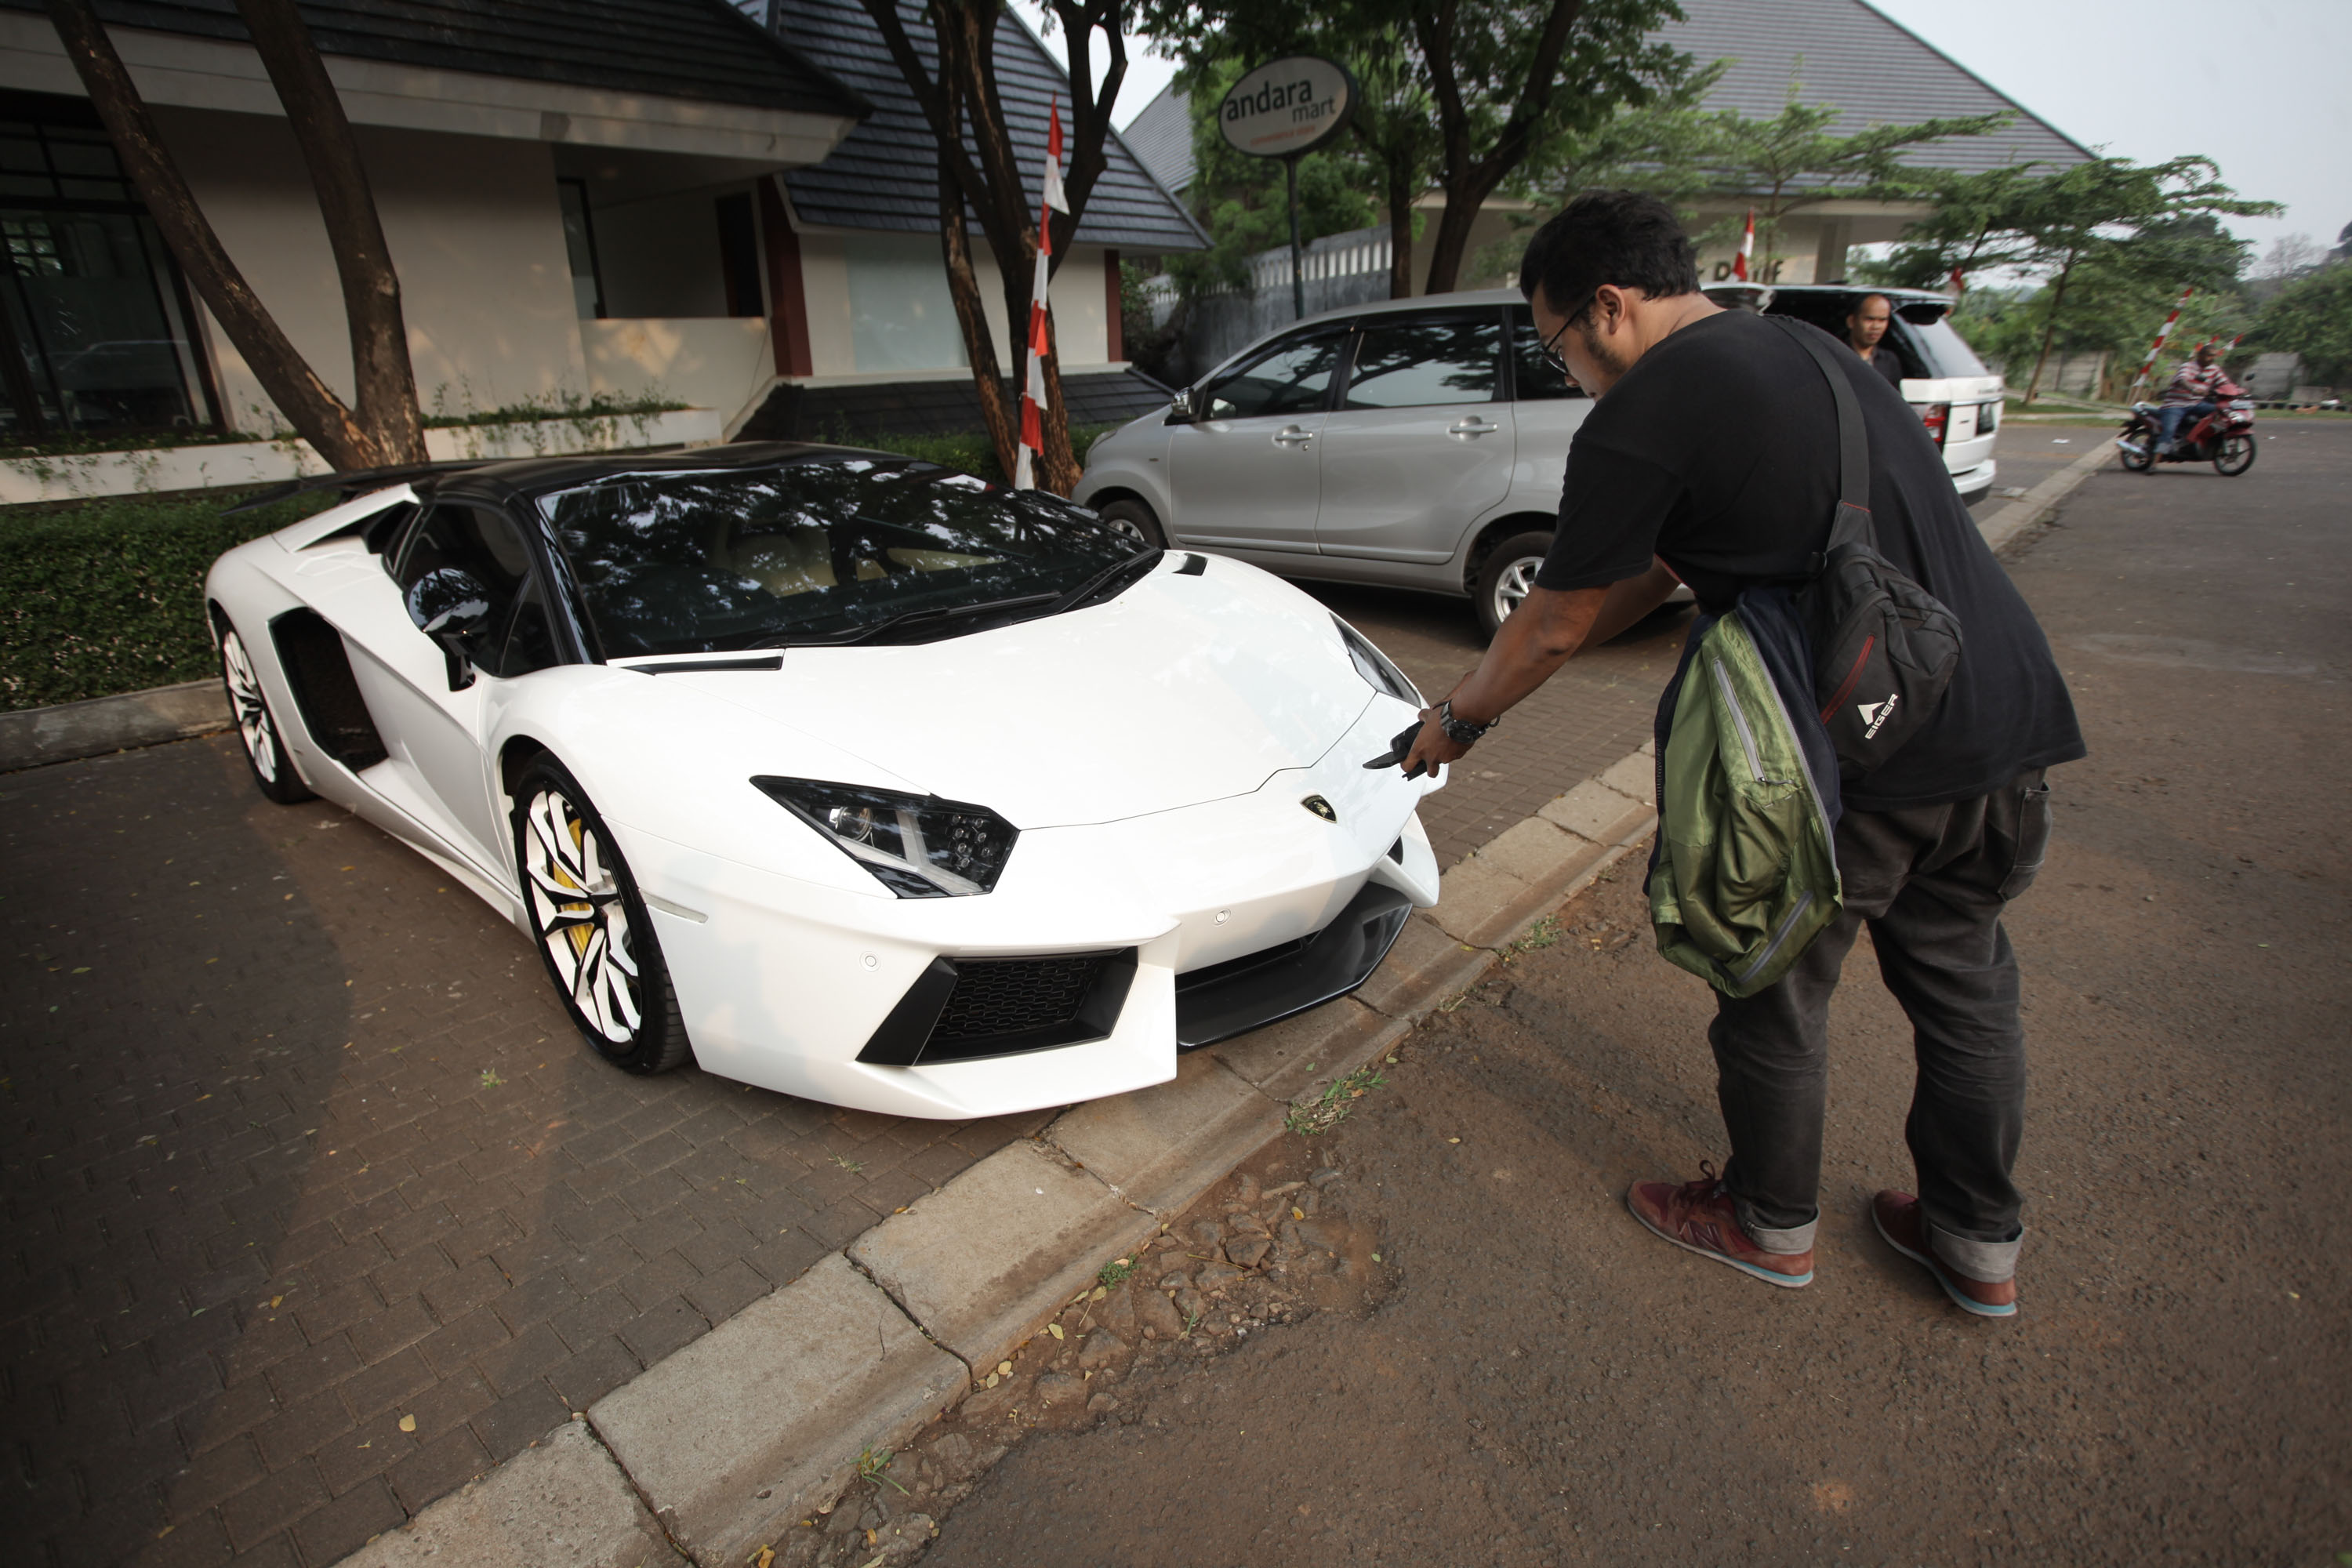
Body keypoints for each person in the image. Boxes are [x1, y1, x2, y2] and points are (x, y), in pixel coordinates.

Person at [1398, 191, 2085, 1318]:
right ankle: (1976, 1244)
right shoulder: (1814, 350)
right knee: (1966, 991)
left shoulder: (1644, 408)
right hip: (1996, 709)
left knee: (1769, 986)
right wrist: (1548, 653)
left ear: (1608, 309)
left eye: (1558, 344)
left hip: (1858, 752)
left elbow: (1555, 621)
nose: (1567, 368)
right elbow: (1654, 574)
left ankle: (1769, 1223)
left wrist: (1460, 720)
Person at [2155, 342, 2226, 454]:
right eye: (2209, 355)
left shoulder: (2215, 369)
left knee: (2222, 412)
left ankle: (2200, 439)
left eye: (2214, 356)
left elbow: (2225, 383)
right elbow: (2182, 380)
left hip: (2196, 404)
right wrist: (2192, 389)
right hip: (2176, 404)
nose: (2211, 359)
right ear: (2200, 355)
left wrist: (2239, 391)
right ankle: (2155, 460)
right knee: (2168, 431)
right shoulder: (2187, 366)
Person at [1846, 292, 1905, 387]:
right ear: (1851, 321)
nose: (1876, 327)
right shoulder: (1836, 355)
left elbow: (1894, 400)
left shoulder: (1890, 361)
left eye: (1882, 320)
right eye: (1869, 319)